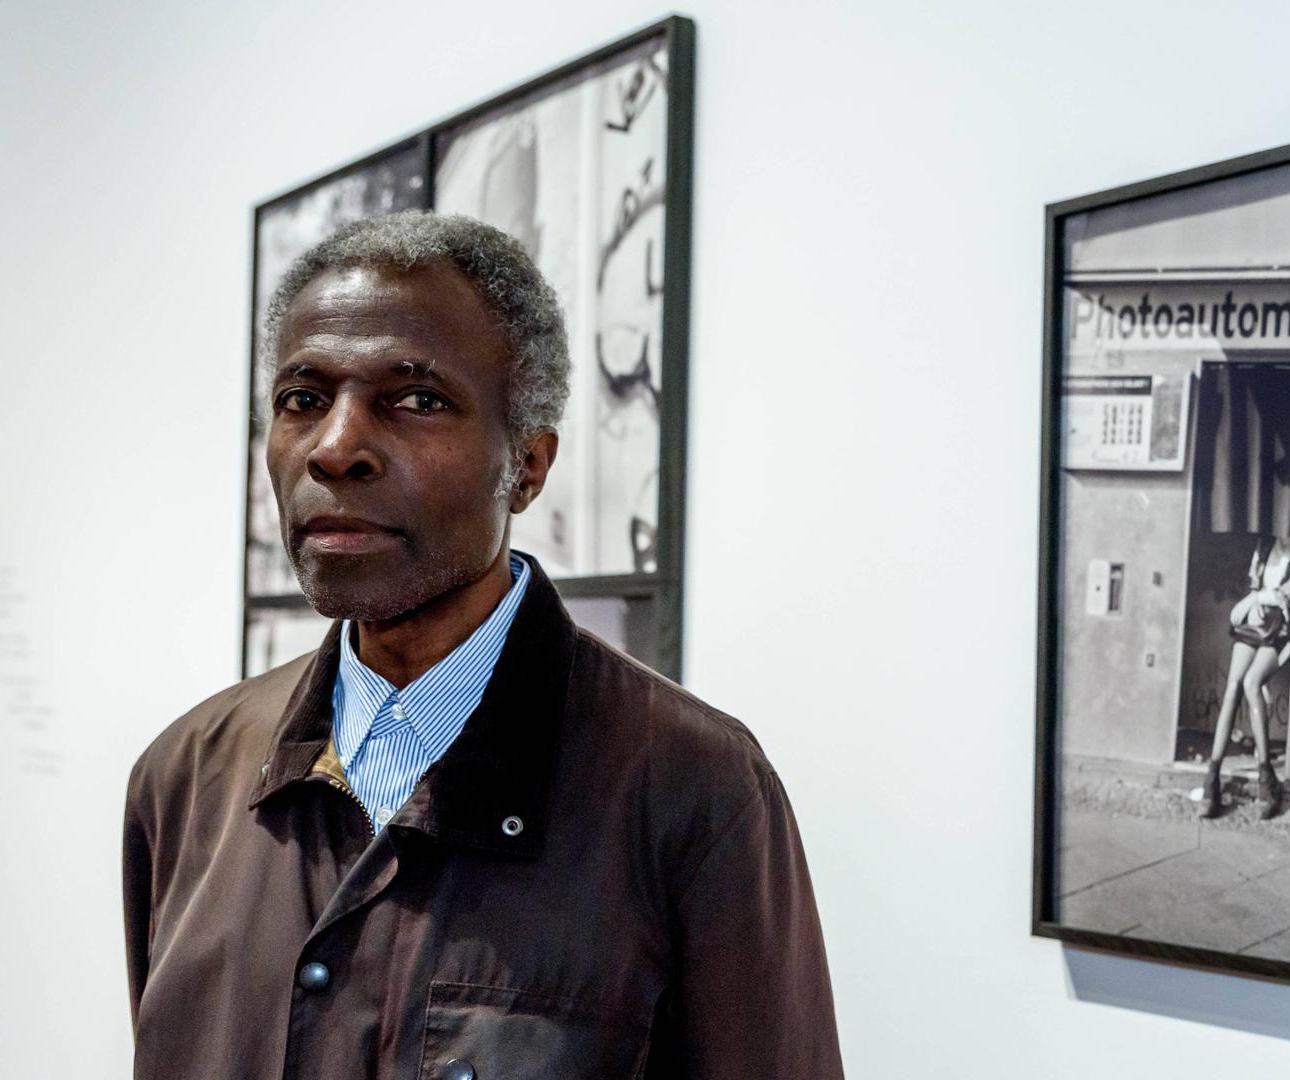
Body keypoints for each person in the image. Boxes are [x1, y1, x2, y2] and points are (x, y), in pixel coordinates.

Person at [121, 212, 843, 1079]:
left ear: (528, 466)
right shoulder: (185, 777)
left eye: (417, 400)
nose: (336, 447)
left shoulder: (692, 792)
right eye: (302, 400)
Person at [1203, 536, 1290, 820]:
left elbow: (1287, 598)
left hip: (1278, 633)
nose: (1284, 530)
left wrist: (1264, 598)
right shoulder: (1264, 547)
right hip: (1254, 627)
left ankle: (1265, 779)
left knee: (1251, 683)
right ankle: (1212, 779)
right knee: (1232, 687)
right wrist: (1259, 598)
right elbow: (1257, 596)